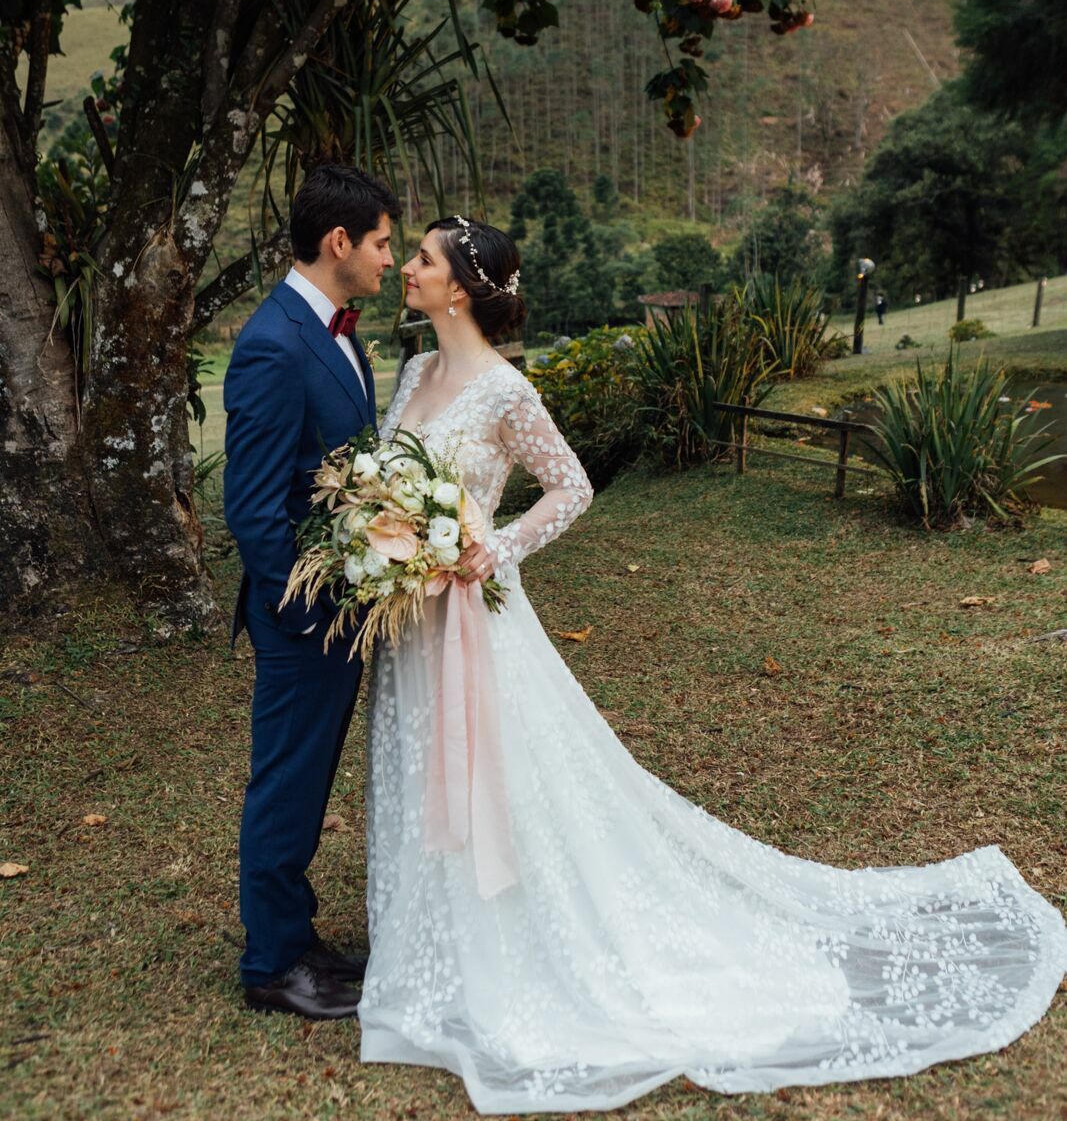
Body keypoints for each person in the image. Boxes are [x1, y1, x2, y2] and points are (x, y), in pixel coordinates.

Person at [354, 214, 1067, 1115]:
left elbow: (571, 485)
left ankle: (516, 941)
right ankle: (432, 946)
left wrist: (493, 549)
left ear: (459, 286)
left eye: (420, 259)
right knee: (422, 763)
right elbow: (393, 482)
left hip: (475, 618)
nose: (408, 270)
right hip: (408, 622)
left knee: (506, 776)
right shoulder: (415, 371)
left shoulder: (503, 391)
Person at [223, 163, 398, 1018]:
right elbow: (254, 513)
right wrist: (315, 611)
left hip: (343, 613)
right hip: (303, 619)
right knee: (287, 783)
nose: (389, 259)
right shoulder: (272, 341)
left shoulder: (334, 330)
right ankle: (272, 966)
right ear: (339, 243)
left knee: (309, 779)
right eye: (381, 243)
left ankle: (298, 936)